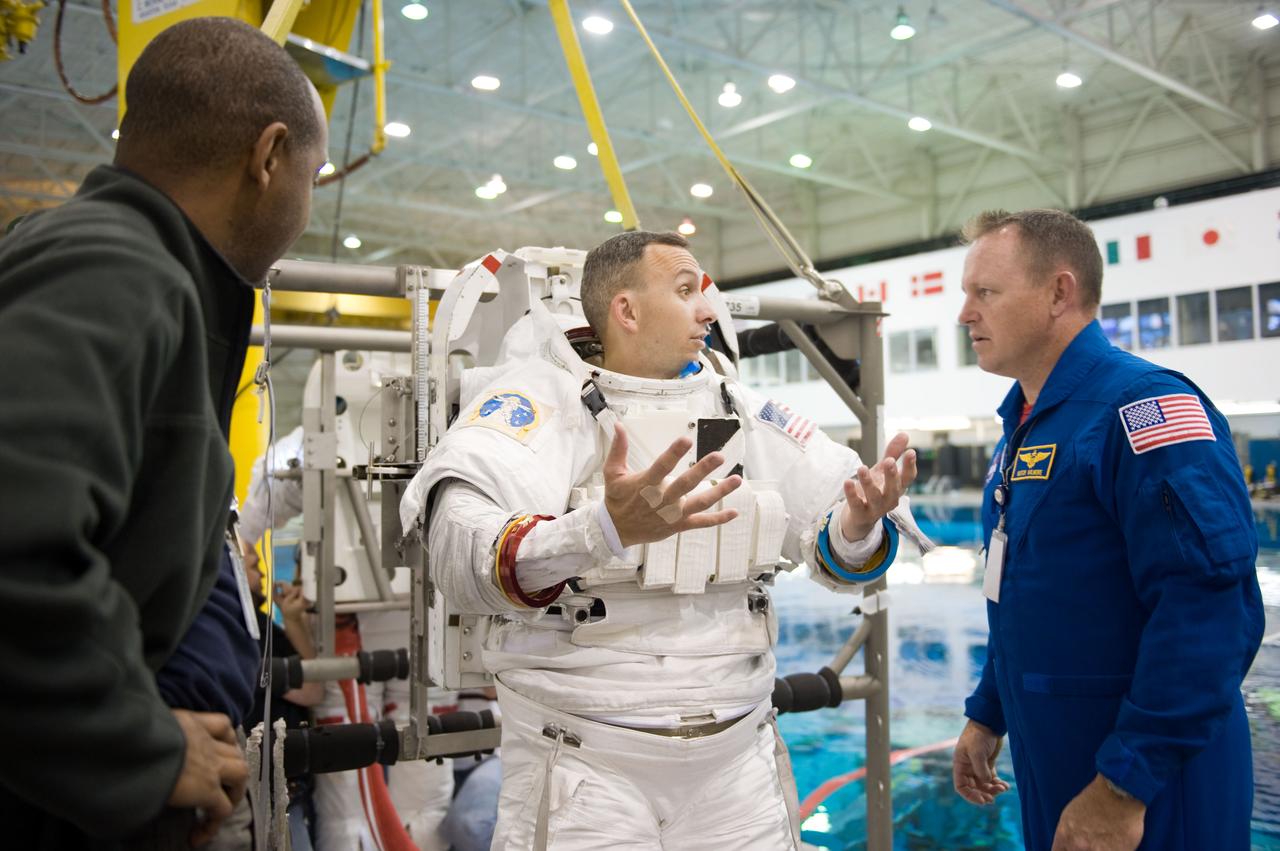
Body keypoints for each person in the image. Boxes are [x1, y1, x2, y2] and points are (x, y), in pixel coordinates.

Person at [401, 230, 931, 849]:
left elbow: (839, 542)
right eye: (686, 292)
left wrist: (857, 527)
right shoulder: (534, 401)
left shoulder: (738, 408)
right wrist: (599, 531)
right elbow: (462, 550)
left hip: (737, 763)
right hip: (583, 762)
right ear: (626, 311)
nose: (709, 309)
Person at [0, 16, 328, 848]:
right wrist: (133, 745)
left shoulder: (131, 272)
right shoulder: (115, 270)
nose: (307, 205)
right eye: (313, 178)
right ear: (268, 156)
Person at [951, 209, 1264, 851]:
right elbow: (1025, 594)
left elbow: (1209, 609)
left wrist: (1127, 783)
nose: (965, 314)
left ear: (1059, 293)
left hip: (1152, 784)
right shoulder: (1027, 424)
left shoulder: (1145, 410)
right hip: (1060, 762)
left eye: (985, 292)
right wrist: (989, 713)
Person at [239, 421, 457, 851]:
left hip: (415, 615)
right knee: (357, 783)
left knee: (416, 777)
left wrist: (244, 542)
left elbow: (256, 508)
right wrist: (242, 546)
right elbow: (256, 509)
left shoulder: (444, 420)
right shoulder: (326, 429)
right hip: (356, 622)